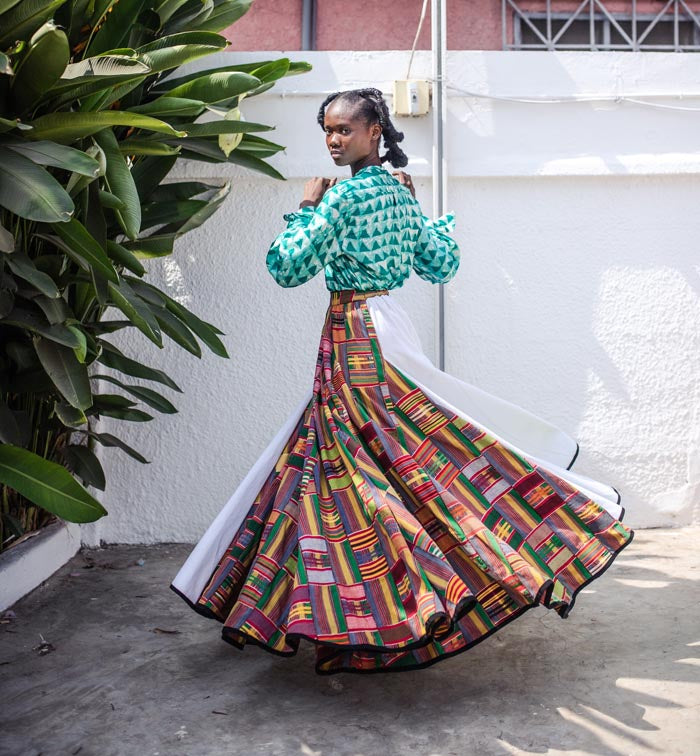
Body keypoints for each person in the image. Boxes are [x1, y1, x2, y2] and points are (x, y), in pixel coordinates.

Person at [170, 87, 634, 675]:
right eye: (327, 130)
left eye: (344, 130)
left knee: (357, 466)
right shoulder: (397, 191)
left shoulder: (342, 197)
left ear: (374, 133)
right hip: (390, 323)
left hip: (355, 332)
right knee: (389, 453)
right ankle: (370, 604)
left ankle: (392, 606)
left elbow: (287, 267)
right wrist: (420, 216)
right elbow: (440, 264)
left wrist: (306, 207)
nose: (333, 140)